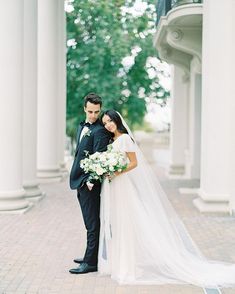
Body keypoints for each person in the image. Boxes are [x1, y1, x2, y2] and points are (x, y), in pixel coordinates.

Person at [98, 109, 235, 288]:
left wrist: (116, 171)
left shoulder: (124, 138)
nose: (108, 124)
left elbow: (134, 163)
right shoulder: (112, 140)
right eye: (105, 122)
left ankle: (127, 267)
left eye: (110, 121)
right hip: (114, 185)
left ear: (117, 120)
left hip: (122, 184)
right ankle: (120, 263)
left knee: (125, 223)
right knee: (117, 223)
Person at [69, 93, 111, 274]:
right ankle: (90, 255)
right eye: (91, 111)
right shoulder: (81, 127)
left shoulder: (100, 131)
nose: (94, 115)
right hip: (79, 180)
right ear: (85, 109)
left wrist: (91, 181)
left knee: (92, 223)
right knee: (89, 222)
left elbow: (99, 159)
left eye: (97, 112)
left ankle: (90, 262)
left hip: (89, 184)